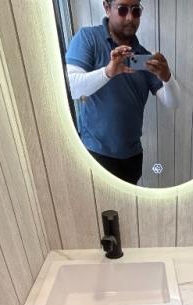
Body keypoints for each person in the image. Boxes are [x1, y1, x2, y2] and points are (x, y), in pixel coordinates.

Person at [65, 0, 180, 184]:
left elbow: (172, 103)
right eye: (122, 9)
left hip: (132, 157)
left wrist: (167, 77)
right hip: (94, 153)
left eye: (136, 11)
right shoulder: (88, 38)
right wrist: (108, 72)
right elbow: (74, 88)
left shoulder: (143, 56)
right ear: (107, 8)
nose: (129, 17)